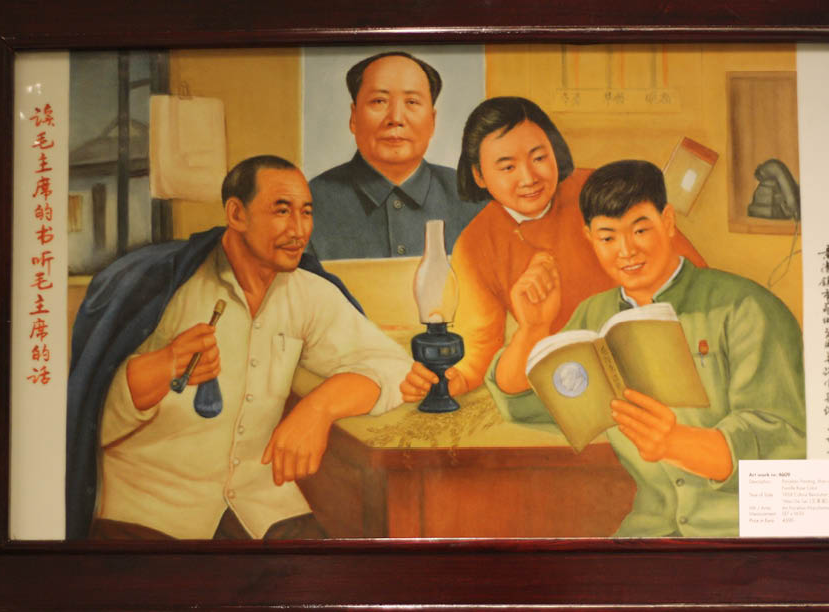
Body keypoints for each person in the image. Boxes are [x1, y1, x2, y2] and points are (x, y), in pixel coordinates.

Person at [66, 155, 412, 540]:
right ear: (236, 214)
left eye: (306, 212)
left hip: (261, 504)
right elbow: (89, 421)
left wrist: (320, 407)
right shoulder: (164, 289)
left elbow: (396, 368)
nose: (299, 230)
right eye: (282, 211)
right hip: (151, 510)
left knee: (325, 571)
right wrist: (162, 368)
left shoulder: (307, 292)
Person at [485, 159, 806, 537]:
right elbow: (527, 402)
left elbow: (784, 442)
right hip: (649, 533)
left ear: (667, 222)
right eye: (608, 238)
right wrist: (532, 329)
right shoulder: (594, 316)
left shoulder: (745, 308)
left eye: (640, 230)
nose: (626, 250)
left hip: (741, 534)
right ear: (589, 237)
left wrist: (675, 443)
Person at [400, 97, 706, 400]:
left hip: (665, 349)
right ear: (478, 175)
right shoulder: (475, 244)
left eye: (539, 158)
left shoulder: (599, 192)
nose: (528, 178)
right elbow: (478, 346)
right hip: (575, 377)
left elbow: (690, 274)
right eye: (508, 167)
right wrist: (451, 379)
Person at [308, 51, 483, 260]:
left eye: (412, 102)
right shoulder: (310, 202)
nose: (396, 118)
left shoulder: (474, 199)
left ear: (432, 121)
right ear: (354, 117)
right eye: (379, 101)